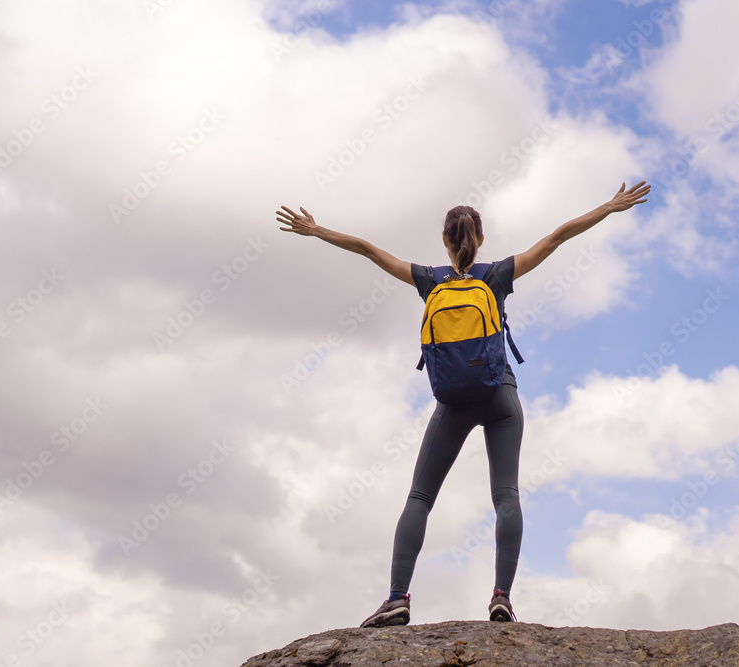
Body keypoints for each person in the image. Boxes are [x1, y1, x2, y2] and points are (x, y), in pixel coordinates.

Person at [276, 181, 651, 628]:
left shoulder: (429, 279)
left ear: (445, 241)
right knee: (506, 495)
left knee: (420, 497)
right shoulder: (497, 275)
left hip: (453, 401)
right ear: (481, 238)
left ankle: (397, 598)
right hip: (500, 396)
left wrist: (317, 231)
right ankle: (502, 599)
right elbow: (557, 236)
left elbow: (368, 250)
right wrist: (608, 207)